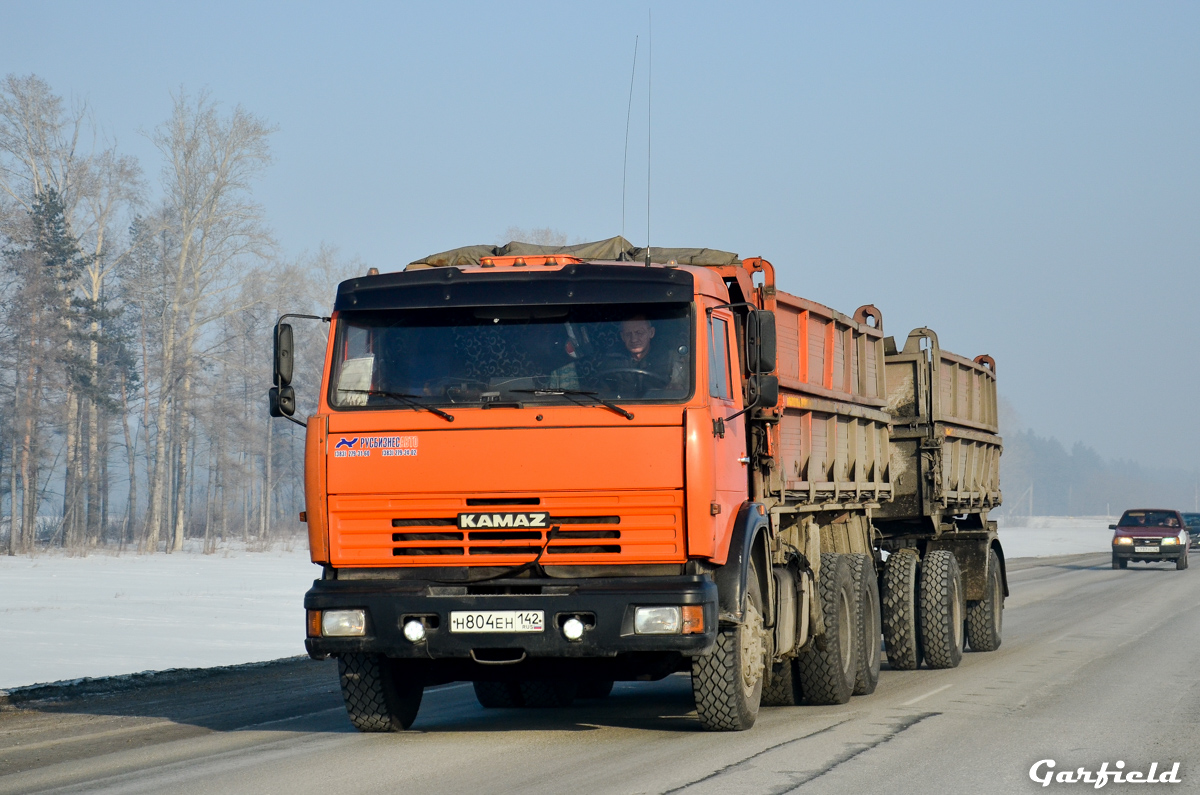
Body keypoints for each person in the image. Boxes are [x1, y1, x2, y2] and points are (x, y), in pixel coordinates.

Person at [599, 315, 687, 396]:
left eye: (639, 333)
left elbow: (679, 390)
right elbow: (603, 392)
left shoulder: (669, 360)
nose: (633, 339)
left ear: (651, 333)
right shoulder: (612, 361)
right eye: (628, 334)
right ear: (622, 337)